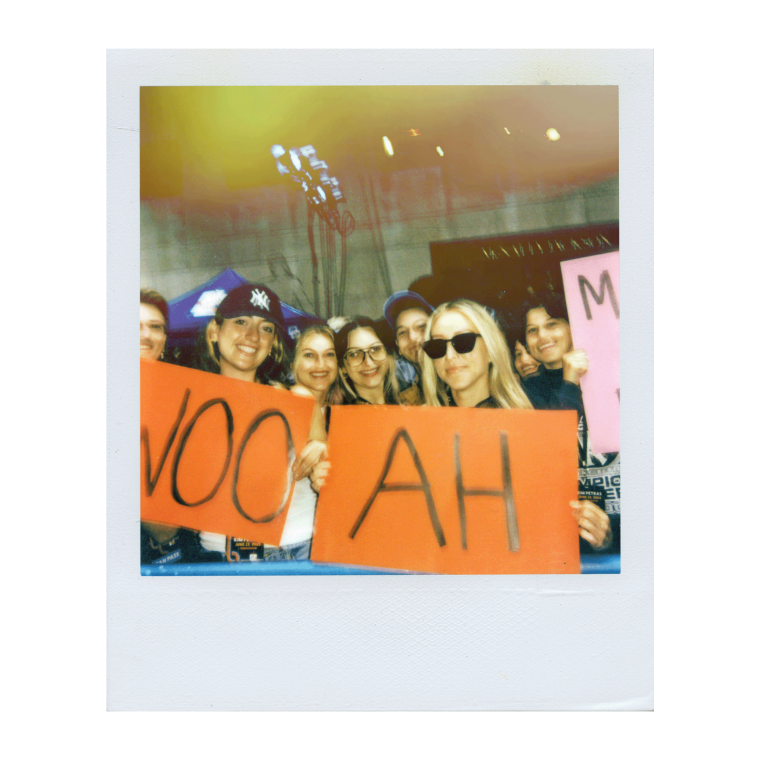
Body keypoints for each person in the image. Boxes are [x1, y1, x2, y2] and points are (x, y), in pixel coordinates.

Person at [420, 298, 610, 552]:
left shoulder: (534, 417)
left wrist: (599, 535)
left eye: (462, 342)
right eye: (437, 346)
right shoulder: (421, 433)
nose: (450, 355)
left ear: (489, 348)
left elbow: (556, 524)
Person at [198, 284, 325, 561]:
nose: (253, 336)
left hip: (300, 549)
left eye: (266, 328)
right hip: (222, 556)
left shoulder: (298, 400)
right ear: (215, 331)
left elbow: (328, 477)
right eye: (241, 321)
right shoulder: (189, 406)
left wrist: (322, 456)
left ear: (272, 344)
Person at [520, 293, 617, 552]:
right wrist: (570, 381)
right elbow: (553, 444)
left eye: (552, 324)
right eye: (532, 330)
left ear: (573, 325)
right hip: (571, 526)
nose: (542, 336)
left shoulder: (614, 372)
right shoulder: (525, 391)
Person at [139, 288, 223, 565]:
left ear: (164, 338)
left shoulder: (185, 395)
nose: (146, 335)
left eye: (155, 327)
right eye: (135, 326)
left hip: (178, 544)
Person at [334, 317, 401, 405]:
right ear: (343, 367)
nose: (368, 362)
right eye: (354, 354)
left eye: (375, 349)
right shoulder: (340, 415)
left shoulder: (410, 402)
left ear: (388, 356)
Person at [382, 290, 434, 405]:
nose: (412, 338)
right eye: (402, 332)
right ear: (397, 345)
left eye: (421, 327)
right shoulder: (402, 388)